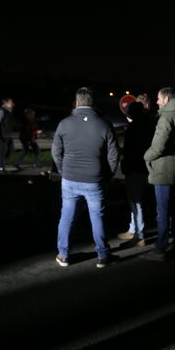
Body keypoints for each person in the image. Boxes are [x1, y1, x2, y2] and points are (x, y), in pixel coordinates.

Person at [52, 87, 119, 268]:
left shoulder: (64, 123)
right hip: (94, 180)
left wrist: (62, 170)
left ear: (77, 102)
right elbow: (114, 155)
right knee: (97, 217)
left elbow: (56, 152)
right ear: (92, 103)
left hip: (69, 179)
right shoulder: (104, 124)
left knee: (67, 216)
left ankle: (63, 254)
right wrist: (108, 175)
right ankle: (103, 256)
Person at [142, 87, 175, 261]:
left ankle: (160, 249)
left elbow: (159, 146)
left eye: (159, 99)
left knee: (163, 211)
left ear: (166, 99)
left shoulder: (167, 117)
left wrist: (146, 156)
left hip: (163, 170)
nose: (157, 102)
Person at [117, 102, 155, 247]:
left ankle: (139, 236)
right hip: (145, 167)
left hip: (135, 169)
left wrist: (126, 166)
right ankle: (135, 230)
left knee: (135, 202)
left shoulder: (134, 128)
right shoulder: (149, 125)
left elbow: (130, 151)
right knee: (139, 201)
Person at [0, 97, 15, 172]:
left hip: (8, 135)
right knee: (3, 151)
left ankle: (0, 163)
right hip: (2, 135)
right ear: (6, 103)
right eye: (11, 102)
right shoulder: (1, 111)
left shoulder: (9, 111)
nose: (13, 104)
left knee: (11, 150)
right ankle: (1, 167)